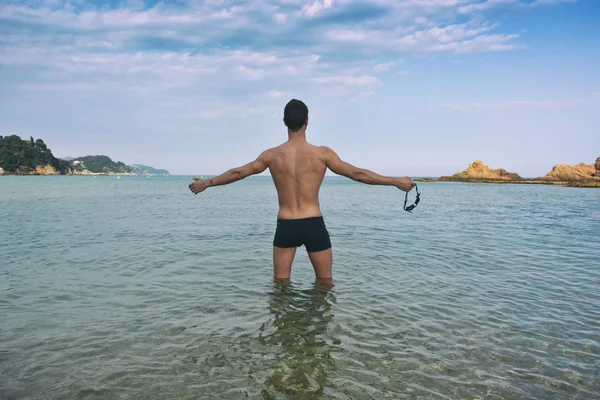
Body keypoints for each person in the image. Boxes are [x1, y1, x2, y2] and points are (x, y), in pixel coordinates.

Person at [189, 99, 415, 283]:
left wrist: (206, 183)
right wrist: (394, 181)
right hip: (313, 224)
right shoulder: (322, 154)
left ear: (284, 121)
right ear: (307, 121)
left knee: (281, 285)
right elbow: (358, 174)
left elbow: (239, 173)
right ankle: (316, 336)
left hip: (286, 224)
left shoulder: (271, 155)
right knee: (325, 283)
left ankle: (284, 335)